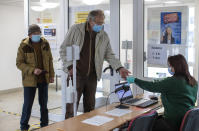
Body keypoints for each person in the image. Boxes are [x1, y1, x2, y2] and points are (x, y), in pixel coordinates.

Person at [59, 9, 130, 119]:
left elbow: (109, 54)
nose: (101, 25)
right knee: (71, 107)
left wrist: (119, 67)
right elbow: (64, 49)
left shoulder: (103, 35)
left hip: (92, 76)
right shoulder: (76, 30)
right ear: (90, 21)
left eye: (102, 23)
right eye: (98, 23)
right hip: (76, 75)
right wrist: (69, 67)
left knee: (90, 108)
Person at [127, 54, 198, 131]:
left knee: (143, 125)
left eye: (170, 66)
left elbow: (151, 86)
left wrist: (135, 80)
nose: (169, 68)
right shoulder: (193, 81)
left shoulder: (173, 81)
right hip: (185, 122)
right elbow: (182, 97)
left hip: (172, 123)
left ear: (176, 67)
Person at [16, 24, 55, 130]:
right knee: (28, 105)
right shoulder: (23, 46)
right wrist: (33, 70)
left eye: (39, 33)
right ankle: (24, 126)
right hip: (29, 80)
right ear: (30, 35)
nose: (38, 36)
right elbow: (19, 63)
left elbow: (50, 60)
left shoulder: (45, 43)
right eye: (35, 34)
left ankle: (44, 125)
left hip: (43, 78)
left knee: (44, 105)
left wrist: (51, 75)